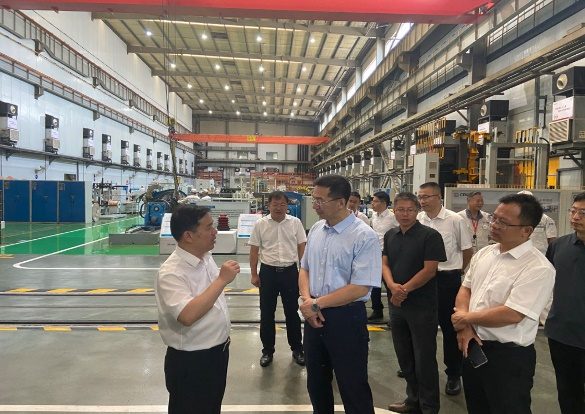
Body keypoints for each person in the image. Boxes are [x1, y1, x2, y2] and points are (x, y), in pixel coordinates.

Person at [452, 193, 555, 414]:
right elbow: (466, 288)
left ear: (526, 230)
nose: (494, 225)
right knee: (476, 407)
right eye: (494, 218)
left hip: (508, 358)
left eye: (503, 222)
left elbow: (512, 314)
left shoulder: (538, 267)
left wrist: (464, 318)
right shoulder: (485, 253)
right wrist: (465, 327)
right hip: (473, 345)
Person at [299, 175, 381, 414]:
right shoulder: (317, 229)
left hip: (346, 318)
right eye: (314, 199)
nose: (314, 205)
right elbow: (304, 268)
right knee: (316, 383)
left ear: (341, 202)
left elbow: (360, 287)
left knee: (352, 385)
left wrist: (315, 304)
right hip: (313, 315)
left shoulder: (364, 236)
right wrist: (308, 302)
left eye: (320, 200)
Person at [155, 205, 241, 414]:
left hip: (216, 355)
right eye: (209, 227)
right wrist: (221, 280)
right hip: (192, 363)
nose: (215, 231)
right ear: (188, 236)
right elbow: (187, 315)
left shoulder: (205, 256)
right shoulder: (171, 273)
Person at [383, 192, 446, 414]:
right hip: (397, 305)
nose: (405, 214)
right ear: (394, 211)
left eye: (410, 210)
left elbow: (429, 270)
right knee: (405, 356)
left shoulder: (430, 236)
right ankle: (413, 401)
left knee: (424, 357)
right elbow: (385, 264)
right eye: (400, 209)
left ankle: (429, 407)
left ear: (417, 211)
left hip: (422, 307)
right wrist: (392, 286)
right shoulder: (390, 235)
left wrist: (403, 290)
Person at [417, 182, 473, 396]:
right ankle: (421, 367)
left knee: (450, 328)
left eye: (426, 197)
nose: (422, 201)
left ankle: (454, 374)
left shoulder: (455, 220)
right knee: (423, 327)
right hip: (423, 279)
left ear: (438, 197)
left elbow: (467, 250)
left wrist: (458, 271)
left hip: (447, 280)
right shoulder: (418, 219)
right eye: (420, 197)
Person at [249, 191, 307, 367]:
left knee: (292, 313)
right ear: (269, 206)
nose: (279, 208)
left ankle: (297, 349)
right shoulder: (260, 224)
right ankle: (267, 351)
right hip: (268, 273)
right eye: (275, 204)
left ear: (287, 206)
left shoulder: (295, 223)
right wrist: (254, 274)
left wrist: (303, 271)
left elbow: (302, 247)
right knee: (267, 314)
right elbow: (254, 250)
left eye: (282, 204)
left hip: (290, 272)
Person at [545, 192, 585, 414]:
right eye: (573, 211)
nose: (575, 217)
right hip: (563, 334)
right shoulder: (559, 246)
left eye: (583, 213)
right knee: (569, 391)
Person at [517, 191, 557, 325]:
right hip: (518, 259)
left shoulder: (545, 219)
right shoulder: (513, 220)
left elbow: (552, 240)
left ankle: (547, 322)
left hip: (540, 260)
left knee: (546, 291)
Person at [369, 190, 399, 321]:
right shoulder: (374, 217)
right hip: (375, 253)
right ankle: (377, 310)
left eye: (375, 201)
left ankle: (394, 314)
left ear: (383, 203)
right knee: (374, 284)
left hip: (388, 254)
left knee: (389, 284)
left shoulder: (393, 218)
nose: (372, 204)